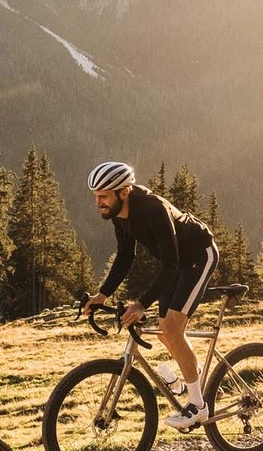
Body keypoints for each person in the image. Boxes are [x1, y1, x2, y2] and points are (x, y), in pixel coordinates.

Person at [79, 162, 219, 431]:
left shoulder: (153, 209)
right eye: (95, 196)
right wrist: (102, 295)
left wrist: (143, 303)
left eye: (104, 196)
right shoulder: (120, 215)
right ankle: (195, 383)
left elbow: (172, 265)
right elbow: (125, 256)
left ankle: (198, 407)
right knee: (167, 331)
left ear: (124, 192)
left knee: (173, 329)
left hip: (199, 257)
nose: (99, 202)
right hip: (175, 263)